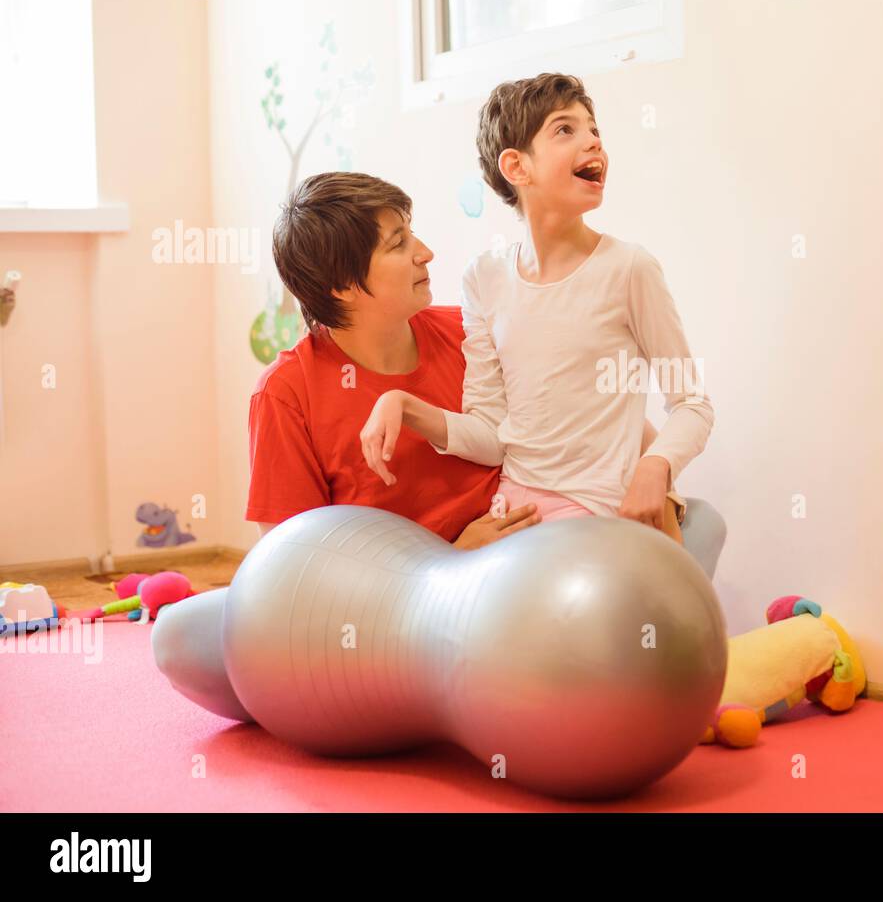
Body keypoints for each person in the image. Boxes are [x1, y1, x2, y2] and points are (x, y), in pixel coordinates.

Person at [151, 172, 726, 722]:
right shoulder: (286, 392)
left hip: (523, 568)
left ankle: (462, 692)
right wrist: (447, 561)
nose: (426, 252)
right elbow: (289, 568)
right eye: (400, 243)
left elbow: (594, 422)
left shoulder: (466, 331)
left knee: (700, 524)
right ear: (344, 284)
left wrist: (654, 476)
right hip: (383, 611)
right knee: (182, 636)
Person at [360, 74, 712, 545]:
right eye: (566, 129)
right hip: (516, 515)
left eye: (594, 129)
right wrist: (400, 404)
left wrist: (655, 468)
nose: (592, 141)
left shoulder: (629, 269)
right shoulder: (484, 278)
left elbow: (691, 404)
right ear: (516, 167)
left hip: (596, 516)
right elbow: (490, 435)